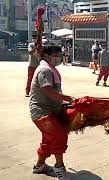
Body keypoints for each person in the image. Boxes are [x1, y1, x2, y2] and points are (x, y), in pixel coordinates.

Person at [30, 45, 74, 180]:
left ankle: (39, 166)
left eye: (60, 56)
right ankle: (59, 166)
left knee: (48, 140)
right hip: (41, 112)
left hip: (51, 110)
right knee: (59, 136)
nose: (58, 58)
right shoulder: (45, 70)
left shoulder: (51, 69)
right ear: (47, 56)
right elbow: (48, 90)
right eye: (56, 56)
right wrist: (67, 98)